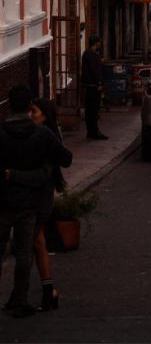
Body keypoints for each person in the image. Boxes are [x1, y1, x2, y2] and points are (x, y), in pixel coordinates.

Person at [0, 85, 72, 317]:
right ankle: (20, 299)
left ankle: (19, 298)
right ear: (29, 104)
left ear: (9, 104)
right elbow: (66, 158)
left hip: (2, 200)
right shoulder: (42, 134)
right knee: (23, 253)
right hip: (28, 202)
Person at [81, 35, 108, 140]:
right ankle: (94, 131)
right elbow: (94, 70)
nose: (100, 44)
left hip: (89, 85)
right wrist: (99, 83)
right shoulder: (92, 54)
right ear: (96, 43)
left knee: (90, 109)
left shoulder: (87, 53)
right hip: (93, 86)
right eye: (99, 42)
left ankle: (91, 131)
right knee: (93, 109)